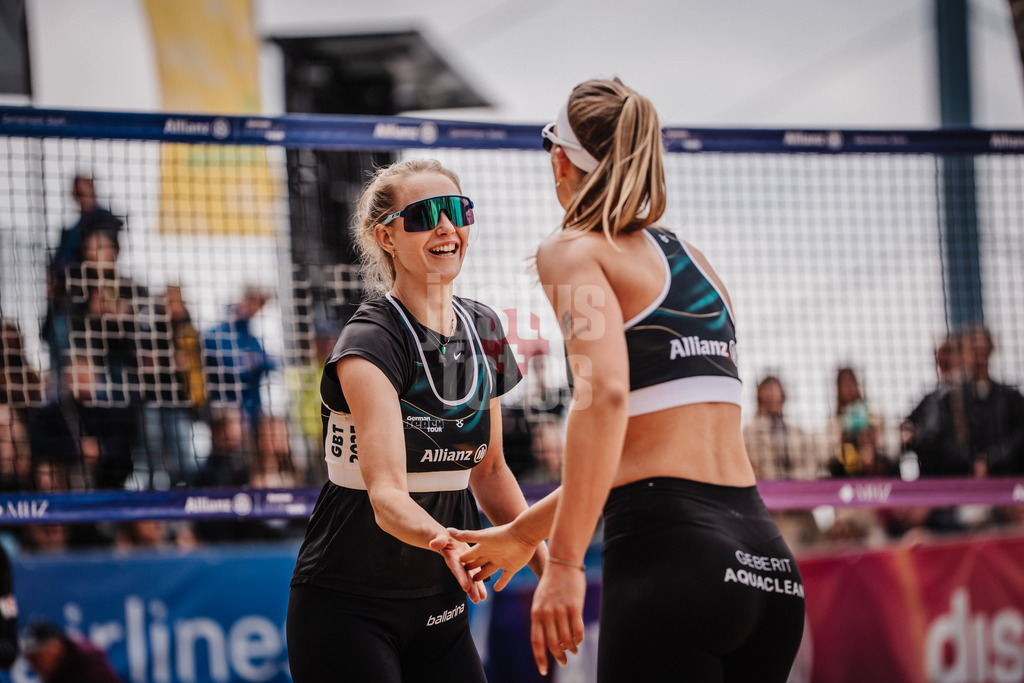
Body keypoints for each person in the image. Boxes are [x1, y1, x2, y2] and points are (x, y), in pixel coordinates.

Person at [451, 78, 805, 681]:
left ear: (560, 157)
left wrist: (563, 562)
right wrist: (522, 534)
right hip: (768, 564)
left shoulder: (572, 250)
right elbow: (646, 457)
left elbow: (607, 398)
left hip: (673, 561)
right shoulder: (695, 260)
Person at [286, 158, 546, 683]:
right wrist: (447, 541)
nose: (447, 227)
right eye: (426, 215)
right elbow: (386, 497)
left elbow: (491, 471)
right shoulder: (371, 341)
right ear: (386, 236)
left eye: (457, 210)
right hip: (348, 604)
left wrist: (552, 569)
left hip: (441, 606)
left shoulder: (485, 328)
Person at [20, 618, 122, 682]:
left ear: (56, 647)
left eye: (37, 657)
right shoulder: (56, 672)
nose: (33, 664)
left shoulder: (91, 670)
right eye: (28, 658)